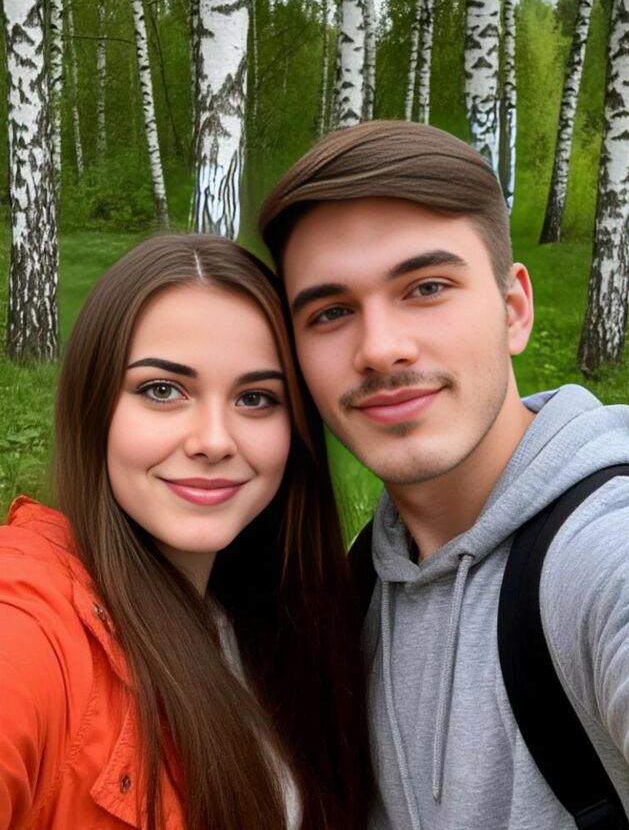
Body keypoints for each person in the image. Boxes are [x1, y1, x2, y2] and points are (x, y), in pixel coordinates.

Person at [258, 120, 629, 829]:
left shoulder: (605, 554)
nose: (380, 348)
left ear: (514, 310)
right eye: (332, 311)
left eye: (427, 286)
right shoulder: (357, 588)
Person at [0, 234, 372, 830]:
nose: (214, 441)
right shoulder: (31, 623)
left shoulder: (285, 621)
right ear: (94, 406)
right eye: (162, 390)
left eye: (256, 398)